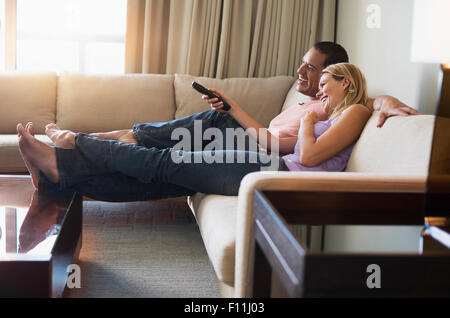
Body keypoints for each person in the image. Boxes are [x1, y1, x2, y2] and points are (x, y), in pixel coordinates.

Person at [17, 63, 371, 201]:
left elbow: (308, 157)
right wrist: (231, 106)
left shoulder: (355, 111)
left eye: (325, 84)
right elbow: (275, 142)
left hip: (276, 176)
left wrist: (308, 120)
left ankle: (76, 144)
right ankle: (56, 177)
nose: (319, 92)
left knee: (164, 162)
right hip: (269, 164)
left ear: (347, 83)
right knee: (161, 181)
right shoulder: (334, 115)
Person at [43, 42, 420, 155]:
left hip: (255, 149)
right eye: (303, 66)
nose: (302, 74)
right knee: (175, 136)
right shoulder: (306, 104)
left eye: (311, 70)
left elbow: (365, 102)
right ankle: (97, 142)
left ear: (334, 76)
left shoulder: (330, 107)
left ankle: (95, 140)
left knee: (198, 128)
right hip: (250, 141)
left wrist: (383, 100)